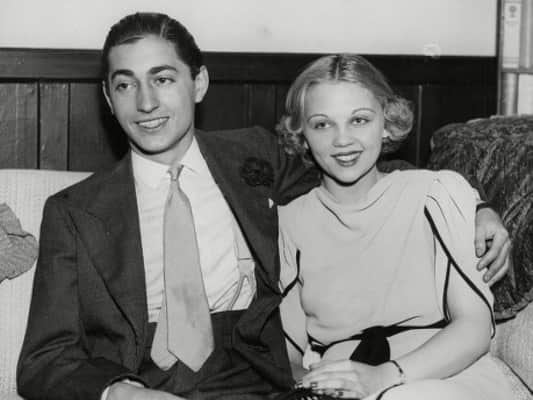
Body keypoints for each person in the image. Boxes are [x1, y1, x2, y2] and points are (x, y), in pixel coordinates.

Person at [16, 12, 509, 400]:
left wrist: (475, 206)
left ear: (199, 83)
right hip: (143, 380)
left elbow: (350, 169)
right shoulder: (72, 211)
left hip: (253, 379)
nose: (146, 103)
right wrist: (118, 392)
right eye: (126, 84)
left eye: (163, 79)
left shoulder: (255, 157)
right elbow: (43, 359)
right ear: (108, 97)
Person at [277, 54, 514, 400]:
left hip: (446, 376)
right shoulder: (290, 221)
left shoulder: (437, 193)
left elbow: (474, 328)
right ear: (302, 135)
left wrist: (383, 378)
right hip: (341, 384)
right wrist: (315, 386)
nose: (342, 140)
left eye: (359, 120)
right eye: (323, 124)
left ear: (386, 123)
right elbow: (287, 355)